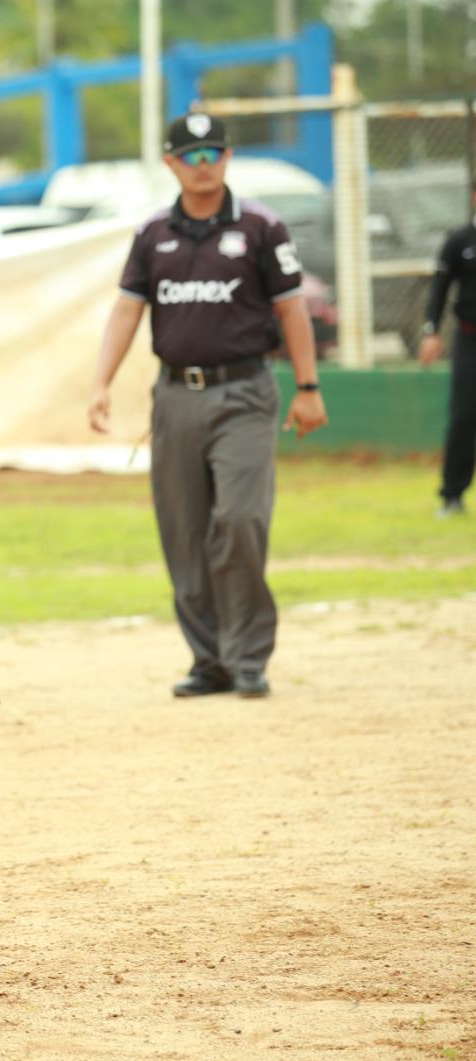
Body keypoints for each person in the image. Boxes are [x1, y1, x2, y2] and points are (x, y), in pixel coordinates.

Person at [87, 112, 328, 701]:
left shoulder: (261, 227)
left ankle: (247, 656)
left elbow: (292, 309)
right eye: (191, 155)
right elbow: (127, 310)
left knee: (240, 521)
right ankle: (209, 659)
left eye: (214, 153)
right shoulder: (152, 235)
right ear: (171, 163)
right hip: (174, 396)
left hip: (245, 392)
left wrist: (308, 387)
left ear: (228, 157)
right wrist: (101, 383)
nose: (204, 165)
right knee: (184, 531)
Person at [415, 182, 476, 518]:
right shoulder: (460, 241)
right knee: (464, 416)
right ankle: (452, 495)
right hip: (470, 339)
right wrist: (431, 331)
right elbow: (440, 287)